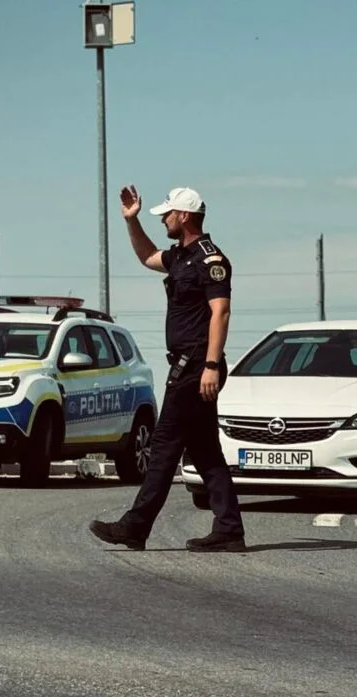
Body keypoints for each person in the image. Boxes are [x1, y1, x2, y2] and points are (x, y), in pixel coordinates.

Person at [89, 185, 246, 552]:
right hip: (188, 364)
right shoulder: (180, 257)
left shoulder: (211, 260)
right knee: (206, 452)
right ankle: (229, 529)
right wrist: (132, 220)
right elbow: (147, 256)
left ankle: (135, 526)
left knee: (162, 448)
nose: (163, 219)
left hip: (196, 366)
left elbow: (220, 312)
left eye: (168, 214)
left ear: (185, 216)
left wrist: (210, 365)